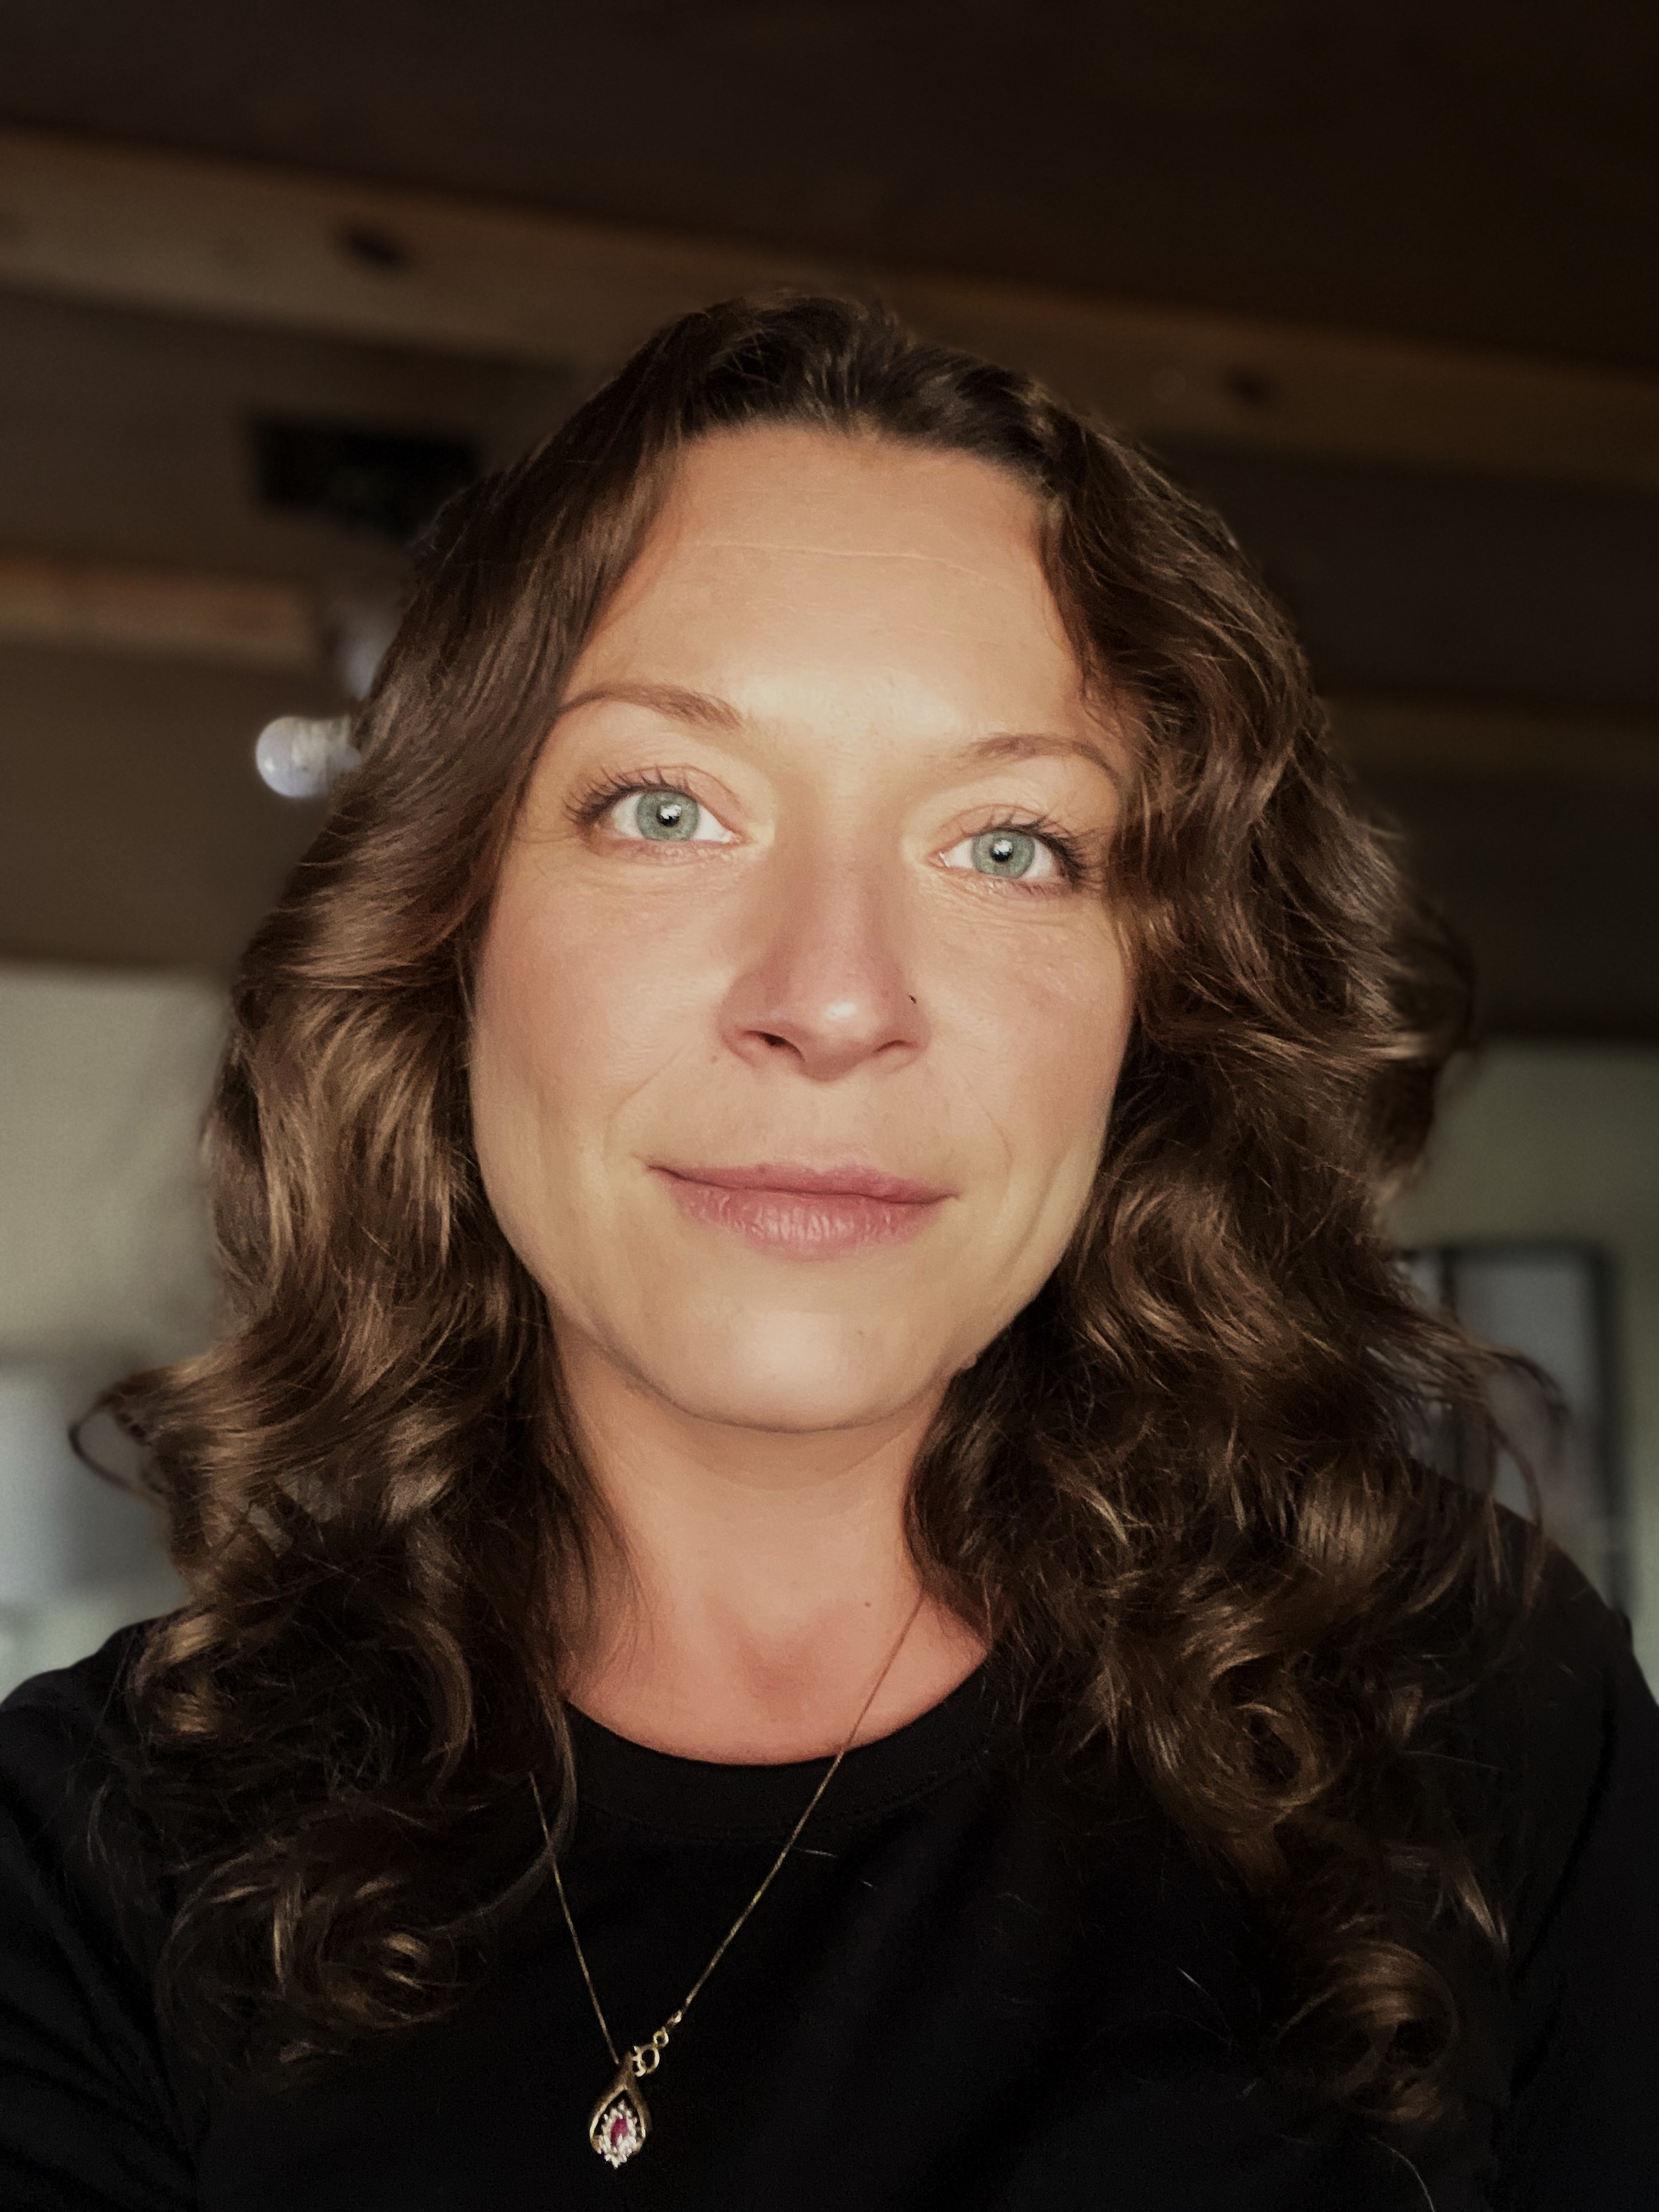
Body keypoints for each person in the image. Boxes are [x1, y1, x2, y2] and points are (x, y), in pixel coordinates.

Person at [1, 295, 1655, 2212]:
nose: (838, 996)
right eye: (666, 809)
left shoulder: (1472, 1699)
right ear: (443, 938)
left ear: (1156, 1007)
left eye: (1011, 844)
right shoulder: (84, 1862)